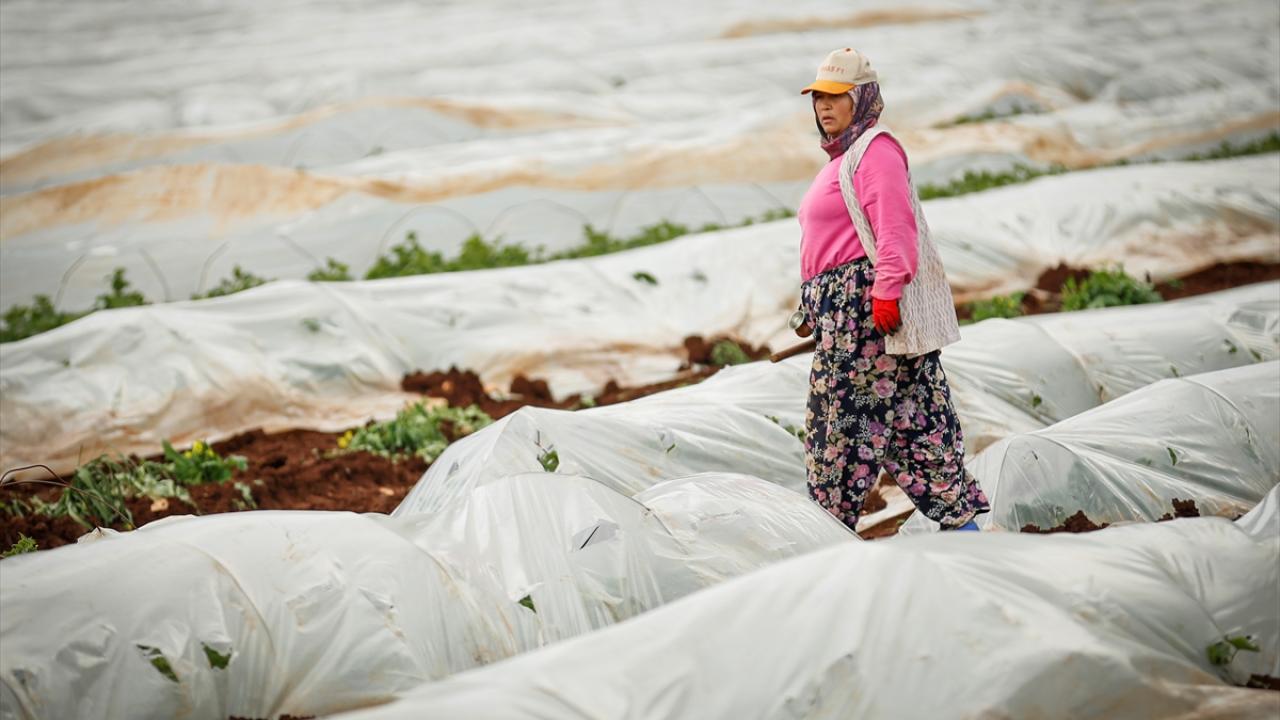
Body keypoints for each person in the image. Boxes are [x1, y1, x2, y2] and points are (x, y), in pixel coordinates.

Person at [796, 47, 989, 533]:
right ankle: (963, 528)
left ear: (862, 98)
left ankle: (828, 540)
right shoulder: (847, 156)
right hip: (851, 316)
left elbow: (895, 229)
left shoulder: (875, 151)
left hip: (864, 319)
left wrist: (885, 291)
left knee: (839, 433)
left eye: (837, 96)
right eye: (819, 96)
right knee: (912, 418)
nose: (825, 106)